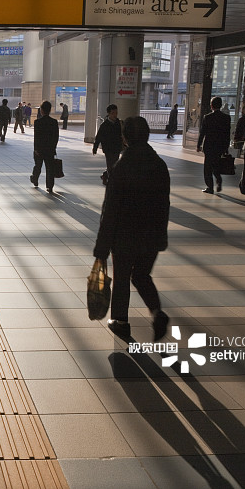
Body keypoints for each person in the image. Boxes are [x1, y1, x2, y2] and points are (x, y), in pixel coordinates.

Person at [93, 116, 170, 341]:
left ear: (124, 138)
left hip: (125, 235)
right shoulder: (159, 165)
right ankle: (157, 312)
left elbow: (111, 210)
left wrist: (102, 247)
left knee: (123, 277)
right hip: (152, 234)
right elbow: (164, 203)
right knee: (142, 275)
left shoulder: (122, 166)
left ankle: (121, 321)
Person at [197, 96, 231, 194]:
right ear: (220, 105)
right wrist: (226, 147)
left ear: (211, 106)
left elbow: (203, 133)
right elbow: (227, 134)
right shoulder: (226, 118)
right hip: (220, 146)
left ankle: (210, 187)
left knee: (207, 167)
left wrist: (199, 145)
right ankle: (218, 179)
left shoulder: (207, 117)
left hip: (209, 146)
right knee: (216, 164)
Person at [29, 101, 59, 193]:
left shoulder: (38, 122)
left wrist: (36, 149)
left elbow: (36, 137)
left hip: (40, 149)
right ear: (50, 110)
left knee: (38, 165)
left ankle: (35, 179)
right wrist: (53, 147)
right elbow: (56, 137)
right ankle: (49, 186)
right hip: (50, 149)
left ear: (41, 110)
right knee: (50, 168)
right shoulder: (54, 122)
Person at [93, 104, 124, 183]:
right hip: (108, 148)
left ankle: (105, 175)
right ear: (109, 114)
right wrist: (95, 148)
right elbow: (99, 137)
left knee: (114, 164)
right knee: (110, 164)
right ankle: (110, 181)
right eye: (113, 113)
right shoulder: (104, 125)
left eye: (116, 113)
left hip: (117, 147)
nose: (115, 115)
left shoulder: (119, 123)